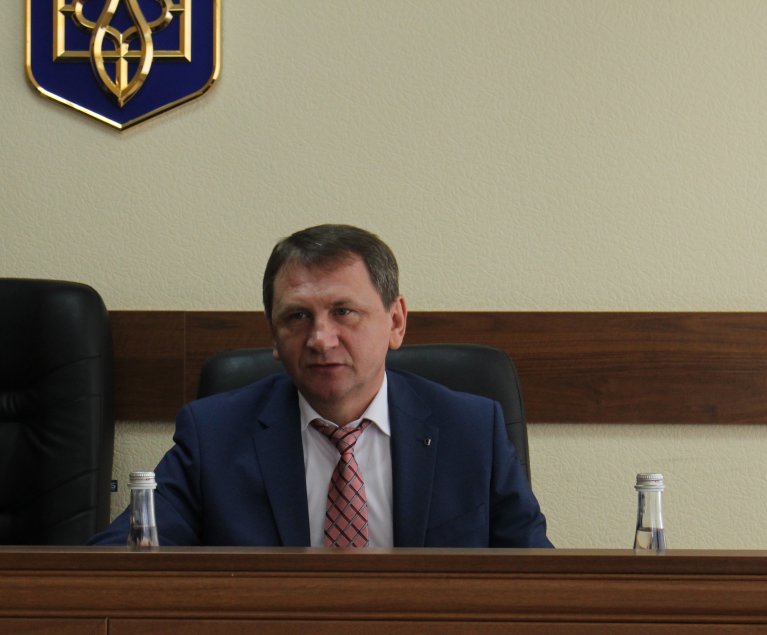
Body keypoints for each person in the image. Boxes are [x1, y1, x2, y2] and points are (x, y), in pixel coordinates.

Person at [90, 224, 552, 548]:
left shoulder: (472, 429)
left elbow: (539, 582)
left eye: (343, 312)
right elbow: (118, 563)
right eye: (297, 316)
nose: (320, 339)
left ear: (395, 322)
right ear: (273, 336)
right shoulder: (215, 434)